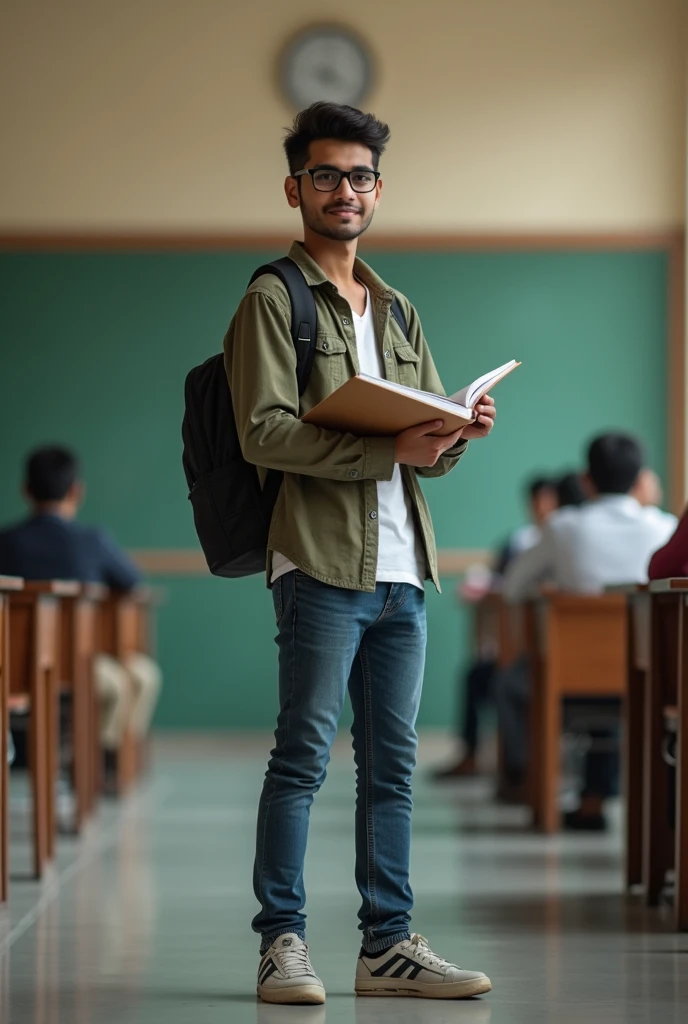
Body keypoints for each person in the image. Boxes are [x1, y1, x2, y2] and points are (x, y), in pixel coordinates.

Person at [223, 102, 496, 1005]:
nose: (347, 191)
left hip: (402, 570)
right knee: (302, 756)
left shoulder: (397, 305)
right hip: (319, 565)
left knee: (393, 765)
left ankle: (387, 946)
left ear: (379, 189)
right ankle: (281, 944)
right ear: (295, 187)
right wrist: (393, 449)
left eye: (362, 176)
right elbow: (264, 432)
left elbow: (422, 441)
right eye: (328, 175)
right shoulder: (274, 298)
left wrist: (457, 429)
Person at [500, 433, 676, 828]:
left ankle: (529, 785)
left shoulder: (563, 527)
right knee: (623, 673)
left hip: (570, 680)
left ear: (586, 479)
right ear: (640, 479)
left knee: (515, 680)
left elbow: (512, 588)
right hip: (648, 679)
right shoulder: (665, 527)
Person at [0, 446, 161, 779]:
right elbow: (133, 584)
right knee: (133, 677)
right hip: (79, 664)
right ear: (76, 491)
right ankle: (95, 761)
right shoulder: (92, 541)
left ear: (26, 491)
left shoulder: (5, 542)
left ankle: (73, 758)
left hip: (13, 667)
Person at [435, 476, 558, 781]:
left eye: (547, 500)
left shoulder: (558, 537)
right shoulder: (518, 542)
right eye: (536, 501)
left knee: (505, 682)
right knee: (477, 675)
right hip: (517, 644)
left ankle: (520, 769)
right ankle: (474, 756)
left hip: (545, 651)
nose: (541, 508)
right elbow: (498, 582)